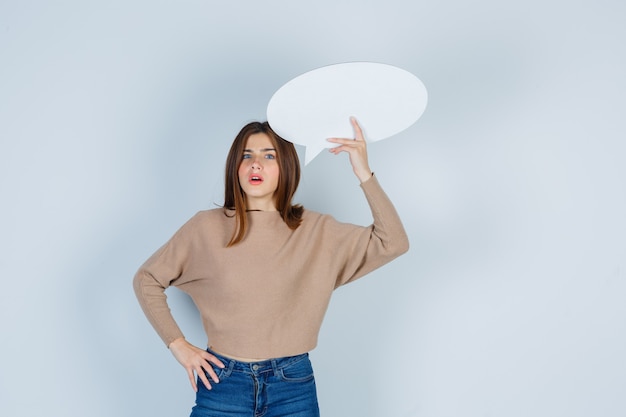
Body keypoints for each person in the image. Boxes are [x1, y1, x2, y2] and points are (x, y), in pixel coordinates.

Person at [133, 117, 409, 416]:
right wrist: (178, 345)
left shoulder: (317, 230)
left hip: (292, 385)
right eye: (246, 156)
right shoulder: (206, 228)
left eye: (269, 156)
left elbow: (393, 242)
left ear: (286, 167)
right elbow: (147, 278)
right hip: (223, 381)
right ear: (235, 167)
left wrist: (363, 172)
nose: (255, 165)